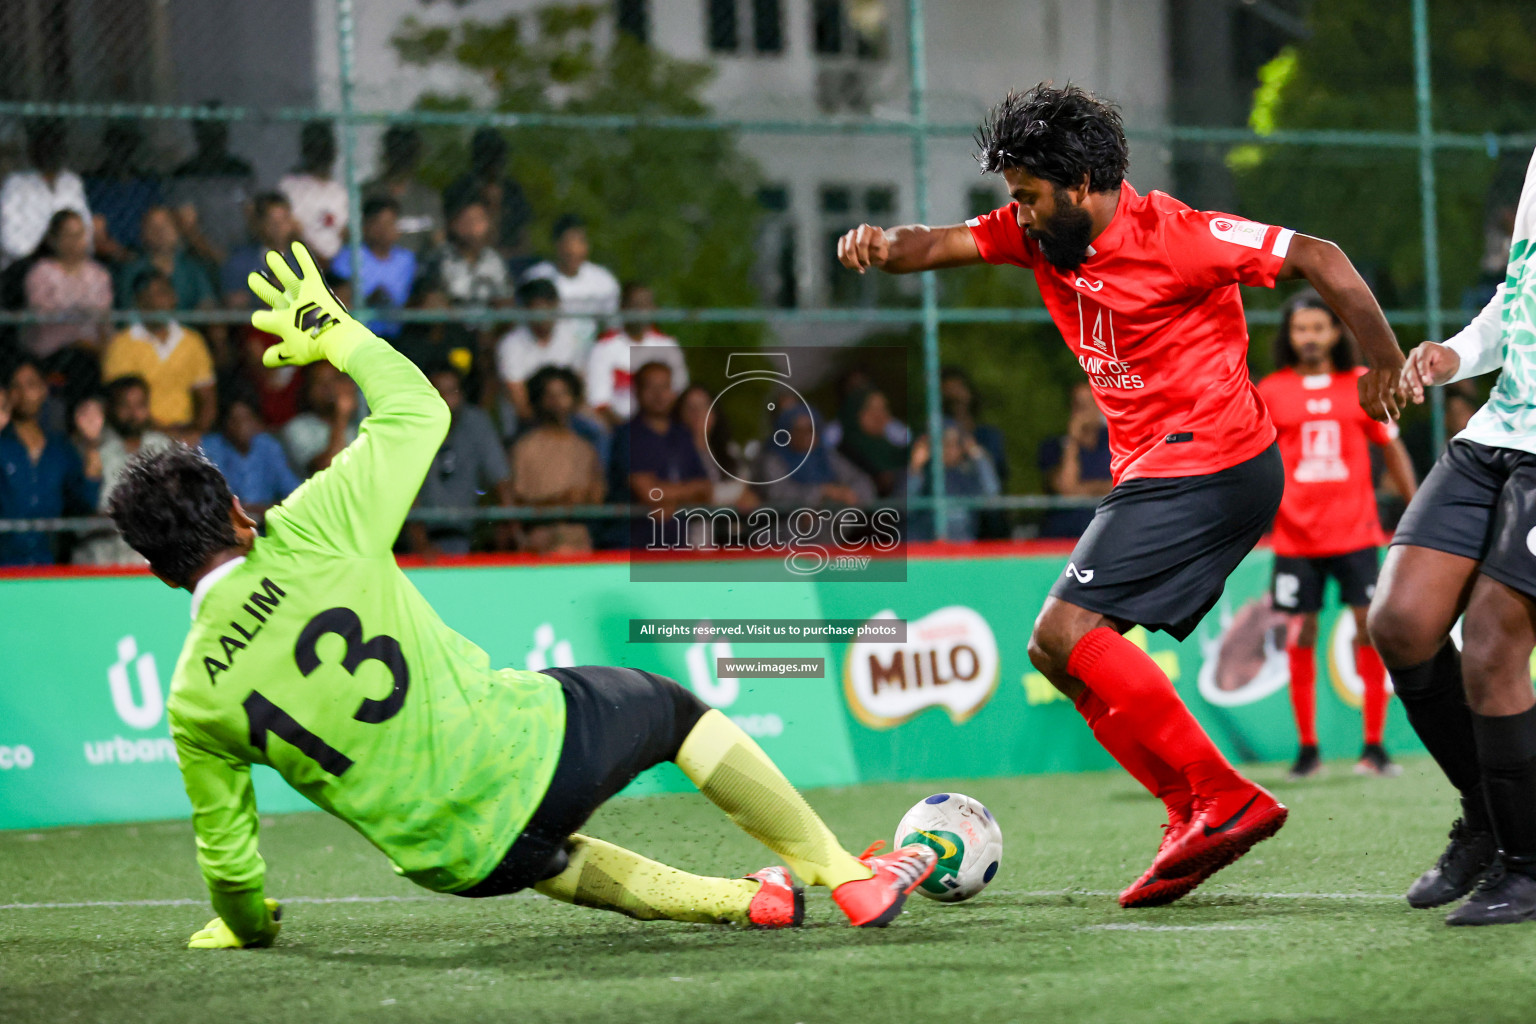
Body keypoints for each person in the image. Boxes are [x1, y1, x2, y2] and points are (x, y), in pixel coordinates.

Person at [103, 242, 933, 949]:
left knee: (548, 857)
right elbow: (417, 411)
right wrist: (341, 334)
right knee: (674, 714)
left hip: (454, 865)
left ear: (159, 569)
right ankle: (849, 878)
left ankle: (746, 900)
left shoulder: (195, 697)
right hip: (528, 755)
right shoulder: (311, 526)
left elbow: (231, 861)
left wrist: (243, 925)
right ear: (240, 513)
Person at [837, 83, 1406, 908]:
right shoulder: (1041, 235)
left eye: (1029, 198)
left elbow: (1320, 257)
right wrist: (882, 245)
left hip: (1211, 460)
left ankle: (1224, 795)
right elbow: (937, 245)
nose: (1019, 215)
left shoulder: (1179, 236)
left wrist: (1383, 357)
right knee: (1054, 654)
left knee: (1066, 629)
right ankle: (1189, 812)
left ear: (1080, 187)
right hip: (1160, 470)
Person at [1367, 145, 1536, 925]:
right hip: (1498, 431)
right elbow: (1517, 297)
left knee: (1496, 644)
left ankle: (1529, 866)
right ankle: (1487, 821)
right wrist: (1453, 355)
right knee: (1400, 624)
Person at [1256, 290, 1418, 781]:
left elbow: (1392, 451)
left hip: (1355, 534)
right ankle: (1308, 750)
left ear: (1334, 333)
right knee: (1300, 632)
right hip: (1295, 539)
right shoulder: (1271, 390)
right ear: (1289, 336)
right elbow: (1254, 461)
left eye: (1318, 327)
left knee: (1369, 630)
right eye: (1300, 328)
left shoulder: (1363, 385)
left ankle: (1375, 746)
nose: (1309, 337)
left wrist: (1417, 512)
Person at [0, 358, 101, 565]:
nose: (22, 393)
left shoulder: (60, 448)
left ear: (44, 390)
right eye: (15, 386)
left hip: (48, 563)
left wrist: (92, 445)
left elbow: (85, 502)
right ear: (7, 394)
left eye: (31, 385)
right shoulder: (2, 443)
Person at [407, 365, 514, 557]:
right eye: (439, 391)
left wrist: (513, 534)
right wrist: (421, 545)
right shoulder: (411, 426)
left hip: (471, 534)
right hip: (420, 535)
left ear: (462, 394)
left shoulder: (477, 422)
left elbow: (501, 481)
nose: (447, 397)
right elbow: (406, 493)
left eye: (452, 391)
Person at [101, 271, 217, 439]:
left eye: (162, 293)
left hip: (187, 433)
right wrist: (168, 435)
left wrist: (196, 432)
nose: (156, 303)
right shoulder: (121, 344)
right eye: (147, 296)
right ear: (138, 303)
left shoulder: (193, 341)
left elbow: (207, 398)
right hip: (139, 434)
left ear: (173, 298)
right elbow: (122, 406)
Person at [72, 374, 173, 566]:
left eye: (140, 405)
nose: (133, 413)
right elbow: (82, 511)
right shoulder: (93, 448)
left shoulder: (163, 447)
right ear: (110, 408)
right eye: (125, 405)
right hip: (100, 560)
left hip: (150, 562)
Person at [610, 361, 712, 548]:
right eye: (651, 387)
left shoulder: (682, 434)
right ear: (637, 391)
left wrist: (669, 497)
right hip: (634, 547)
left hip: (678, 547)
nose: (659, 395)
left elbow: (706, 488)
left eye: (664, 387)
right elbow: (648, 492)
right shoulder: (627, 435)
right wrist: (685, 493)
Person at [508, 366, 605, 553]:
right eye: (550, 395)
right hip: (539, 539)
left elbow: (598, 497)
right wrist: (557, 502)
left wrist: (586, 498)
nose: (557, 402)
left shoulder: (585, 448)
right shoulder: (525, 447)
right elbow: (516, 501)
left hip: (578, 538)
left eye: (563, 394)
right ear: (538, 399)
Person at [586, 282, 688, 428]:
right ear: (623, 308)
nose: (640, 310)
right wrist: (629, 431)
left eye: (645, 304)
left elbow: (680, 394)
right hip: (619, 428)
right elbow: (599, 403)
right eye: (635, 305)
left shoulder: (668, 346)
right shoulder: (603, 347)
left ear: (654, 309)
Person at [168, 109, 257, 271]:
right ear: (198, 135)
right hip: (202, 258)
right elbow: (188, 224)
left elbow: (251, 213)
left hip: (242, 251)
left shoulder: (239, 170)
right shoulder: (186, 173)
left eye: (218, 131)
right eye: (208, 132)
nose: (214, 138)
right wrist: (215, 255)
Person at [0, 118, 91, 268]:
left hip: (69, 262)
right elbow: (9, 240)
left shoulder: (72, 182)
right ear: (33, 150)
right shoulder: (16, 183)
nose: (50, 152)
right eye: (45, 147)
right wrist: (45, 251)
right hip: (25, 264)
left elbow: (86, 230)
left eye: (56, 146)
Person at [522, 215, 620, 352]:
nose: (574, 249)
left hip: (589, 351)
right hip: (546, 350)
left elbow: (613, 326)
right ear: (557, 244)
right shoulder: (536, 277)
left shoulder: (603, 280)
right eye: (568, 242)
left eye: (580, 241)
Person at [199, 396, 299, 523]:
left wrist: (264, 510)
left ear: (257, 421)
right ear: (224, 423)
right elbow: (208, 501)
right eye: (234, 420)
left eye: (247, 418)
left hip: (267, 526)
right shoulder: (210, 446)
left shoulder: (268, 446)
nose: (241, 425)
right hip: (224, 528)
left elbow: (296, 494)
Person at [496, 277, 583, 423]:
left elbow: (579, 389)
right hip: (527, 422)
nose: (544, 313)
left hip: (568, 420)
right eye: (538, 306)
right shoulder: (510, 344)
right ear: (527, 309)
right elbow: (520, 403)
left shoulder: (571, 337)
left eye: (549, 306)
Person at [442, 127, 532, 264]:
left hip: (510, 258)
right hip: (467, 260)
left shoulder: (512, 191)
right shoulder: (462, 190)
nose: (494, 164)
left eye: (497, 157)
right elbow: (450, 233)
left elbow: (523, 235)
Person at [83, 120, 165, 269]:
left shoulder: (147, 184)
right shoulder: (95, 184)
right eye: (118, 144)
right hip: (107, 260)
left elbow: (159, 225)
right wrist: (121, 254)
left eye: (128, 144)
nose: (123, 150)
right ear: (109, 146)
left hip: (146, 256)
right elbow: (96, 232)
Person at [331, 197, 416, 340]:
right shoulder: (349, 256)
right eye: (378, 223)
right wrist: (369, 300)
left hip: (401, 335)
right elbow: (338, 298)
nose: (384, 230)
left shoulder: (407, 259)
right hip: (359, 335)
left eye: (390, 223)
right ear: (366, 227)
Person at [1037, 382, 1113, 538]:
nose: (1085, 411)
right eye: (1079, 405)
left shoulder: (1115, 442)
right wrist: (1072, 441)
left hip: (1108, 531)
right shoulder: (1053, 446)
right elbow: (1067, 489)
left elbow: (1122, 487)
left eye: (1091, 403)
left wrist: (1083, 490)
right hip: (1063, 534)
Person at [114, 205, 218, 312]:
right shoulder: (132, 270)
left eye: (165, 226)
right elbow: (127, 309)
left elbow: (207, 303)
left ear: (178, 230)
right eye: (153, 227)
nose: (160, 233)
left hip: (186, 327)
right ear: (143, 233)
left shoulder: (193, 268)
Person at [909, 422, 1001, 542]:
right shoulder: (925, 473)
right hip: (927, 545)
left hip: (962, 544)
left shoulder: (968, 474)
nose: (950, 449)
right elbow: (905, 506)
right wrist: (915, 467)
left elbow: (992, 494)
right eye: (944, 443)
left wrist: (976, 453)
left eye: (955, 444)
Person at [362, 125, 444, 254]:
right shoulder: (368, 193)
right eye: (397, 153)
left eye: (407, 154)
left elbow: (438, 240)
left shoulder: (427, 197)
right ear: (387, 155)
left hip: (419, 268)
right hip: (375, 266)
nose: (402, 160)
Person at [278, 121, 348, 264]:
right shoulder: (290, 186)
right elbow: (291, 231)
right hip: (300, 262)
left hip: (336, 265)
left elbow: (344, 231)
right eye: (316, 149)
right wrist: (316, 259)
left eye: (325, 149)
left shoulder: (339, 190)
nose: (322, 154)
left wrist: (333, 263)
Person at [279, 362, 358, 477]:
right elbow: (328, 469)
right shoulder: (298, 428)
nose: (329, 388)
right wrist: (341, 416)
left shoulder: (365, 420)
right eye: (320, 382)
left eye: (334, 380)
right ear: (309, 391)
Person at [428, 200, 512, 307]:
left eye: (478, 220)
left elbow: (506, 298)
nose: (472, 227)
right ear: (454, 224)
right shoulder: (439, 259)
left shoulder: (495, 259)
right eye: (466, 220)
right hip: (451, 320)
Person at [836, 386, 906, 498]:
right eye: (870, 409)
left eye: (883, 408)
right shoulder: (844, 453)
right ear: (855, 412)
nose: (879, 415)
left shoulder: (895, 449)